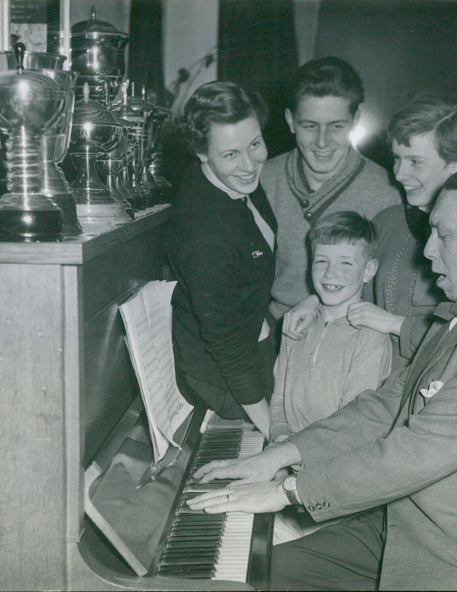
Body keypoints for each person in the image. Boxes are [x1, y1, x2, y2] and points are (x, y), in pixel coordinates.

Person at [187, 164, 457, 590]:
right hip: (412, 521)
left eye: (443, 235)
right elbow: (387, 403)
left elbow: (417, 451)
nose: (427, 250)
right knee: (263, 570)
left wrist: (288, 492)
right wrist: (278, 456)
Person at [284, 93, 457, 369]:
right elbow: (353, 288)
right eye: (397, 159)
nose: (399, 174)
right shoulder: (387, 220)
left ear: (456, 163)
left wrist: (395, 324)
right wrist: (314, 302)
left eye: (415, 162)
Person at [167, 81, 276, 437]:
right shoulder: (205, 232)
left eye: (255, 144)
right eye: (231, 154)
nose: (249, 165)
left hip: (254, 344)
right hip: (222, 379)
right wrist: (271, 429)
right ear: (201, 153)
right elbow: (225, 341)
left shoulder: (233, 180)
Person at [260, 56, 401, 321]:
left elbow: (383, 292)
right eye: (310, 126)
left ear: (355, 119)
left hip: (347, 336)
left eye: (336, 127)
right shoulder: (264, 179)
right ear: (290, 120)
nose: (322, 142)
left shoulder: (385, 193)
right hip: (272, 332)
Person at [269, 210, 392, 443]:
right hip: (288, 450)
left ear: (368, 270)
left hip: (333, 458)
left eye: (345, 263)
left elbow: (351, 425)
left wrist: (288, 454)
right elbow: (279, 398)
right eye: (321, 261)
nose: (330, 273)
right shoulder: (297, 321)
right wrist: (279, 437)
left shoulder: (370, 336)